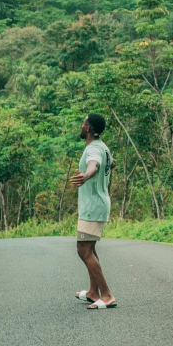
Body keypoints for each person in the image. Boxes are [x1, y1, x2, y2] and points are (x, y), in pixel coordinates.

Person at [70, 113, 117, 310]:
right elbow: (111, 163)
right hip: (99, 204)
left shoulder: (93, 150)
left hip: (92, 208)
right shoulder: (102, 147)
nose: (81, 126)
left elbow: (94, 166)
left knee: (83, 250)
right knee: (91, 249)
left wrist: (87, 176)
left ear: (88, 128)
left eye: (83, 124)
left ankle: (106, 295)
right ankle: (92, 292)